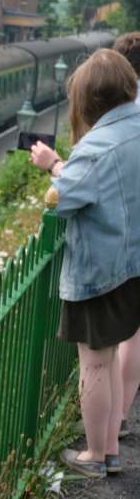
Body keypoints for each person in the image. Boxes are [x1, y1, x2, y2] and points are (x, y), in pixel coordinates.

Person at [30, 48, 140, 478]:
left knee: (95, 362)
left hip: (99, 272)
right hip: (132, 266)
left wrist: (52, 164)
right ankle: (109, 447)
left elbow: (62, 200)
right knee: (110, 358)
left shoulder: (95, 148)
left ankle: (95, 456)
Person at [112, 32, 140, 437]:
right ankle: (121, 411)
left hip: (128, 233)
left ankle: (112, 422)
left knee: (124, 333)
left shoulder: (125, 111)